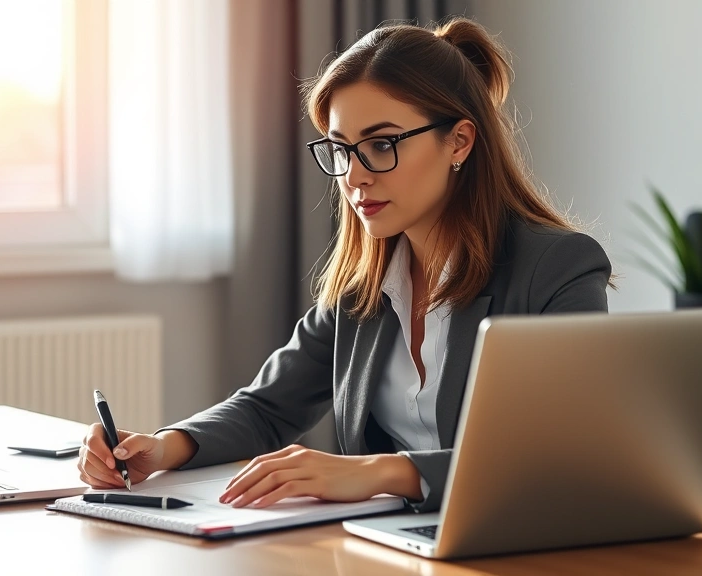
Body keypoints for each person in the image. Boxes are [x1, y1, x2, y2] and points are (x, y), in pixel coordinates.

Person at [77, 17, 612, 513]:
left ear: (460, 141)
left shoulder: (557, 267)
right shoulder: (366, 285)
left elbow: (561, 453)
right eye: (341, 149)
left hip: (519, 547)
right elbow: (267, 408)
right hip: (390, 544)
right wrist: (164, 447)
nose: (354, 177)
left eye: (380, 145)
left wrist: (379, 472)